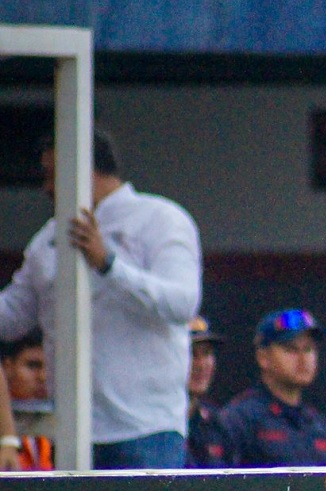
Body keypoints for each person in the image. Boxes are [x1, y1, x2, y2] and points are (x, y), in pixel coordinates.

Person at [0, 128, 202, 469]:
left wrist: (109, 264)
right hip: (70, 431)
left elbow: (182, 304)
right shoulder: (48, 239)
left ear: (83, 169)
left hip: (144, 429)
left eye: (52, 175)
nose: (46, 188)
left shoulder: (161, 220)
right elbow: (13, 315)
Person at [216, 308, 326, 467]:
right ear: (263, 357)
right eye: (291, 349)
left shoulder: (321, 426)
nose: (303, 358)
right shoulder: (240, 419)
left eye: (308, 349)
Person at [0, 329, 53, 470]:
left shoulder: (55, 426)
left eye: (49, 367)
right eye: (32, 366)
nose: (42, 376)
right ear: (7, 368)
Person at [184, 315, 228, 467]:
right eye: (192, 354)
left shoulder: (216, 422)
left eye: (207, 353)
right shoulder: (152, 422)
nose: (201, 365)